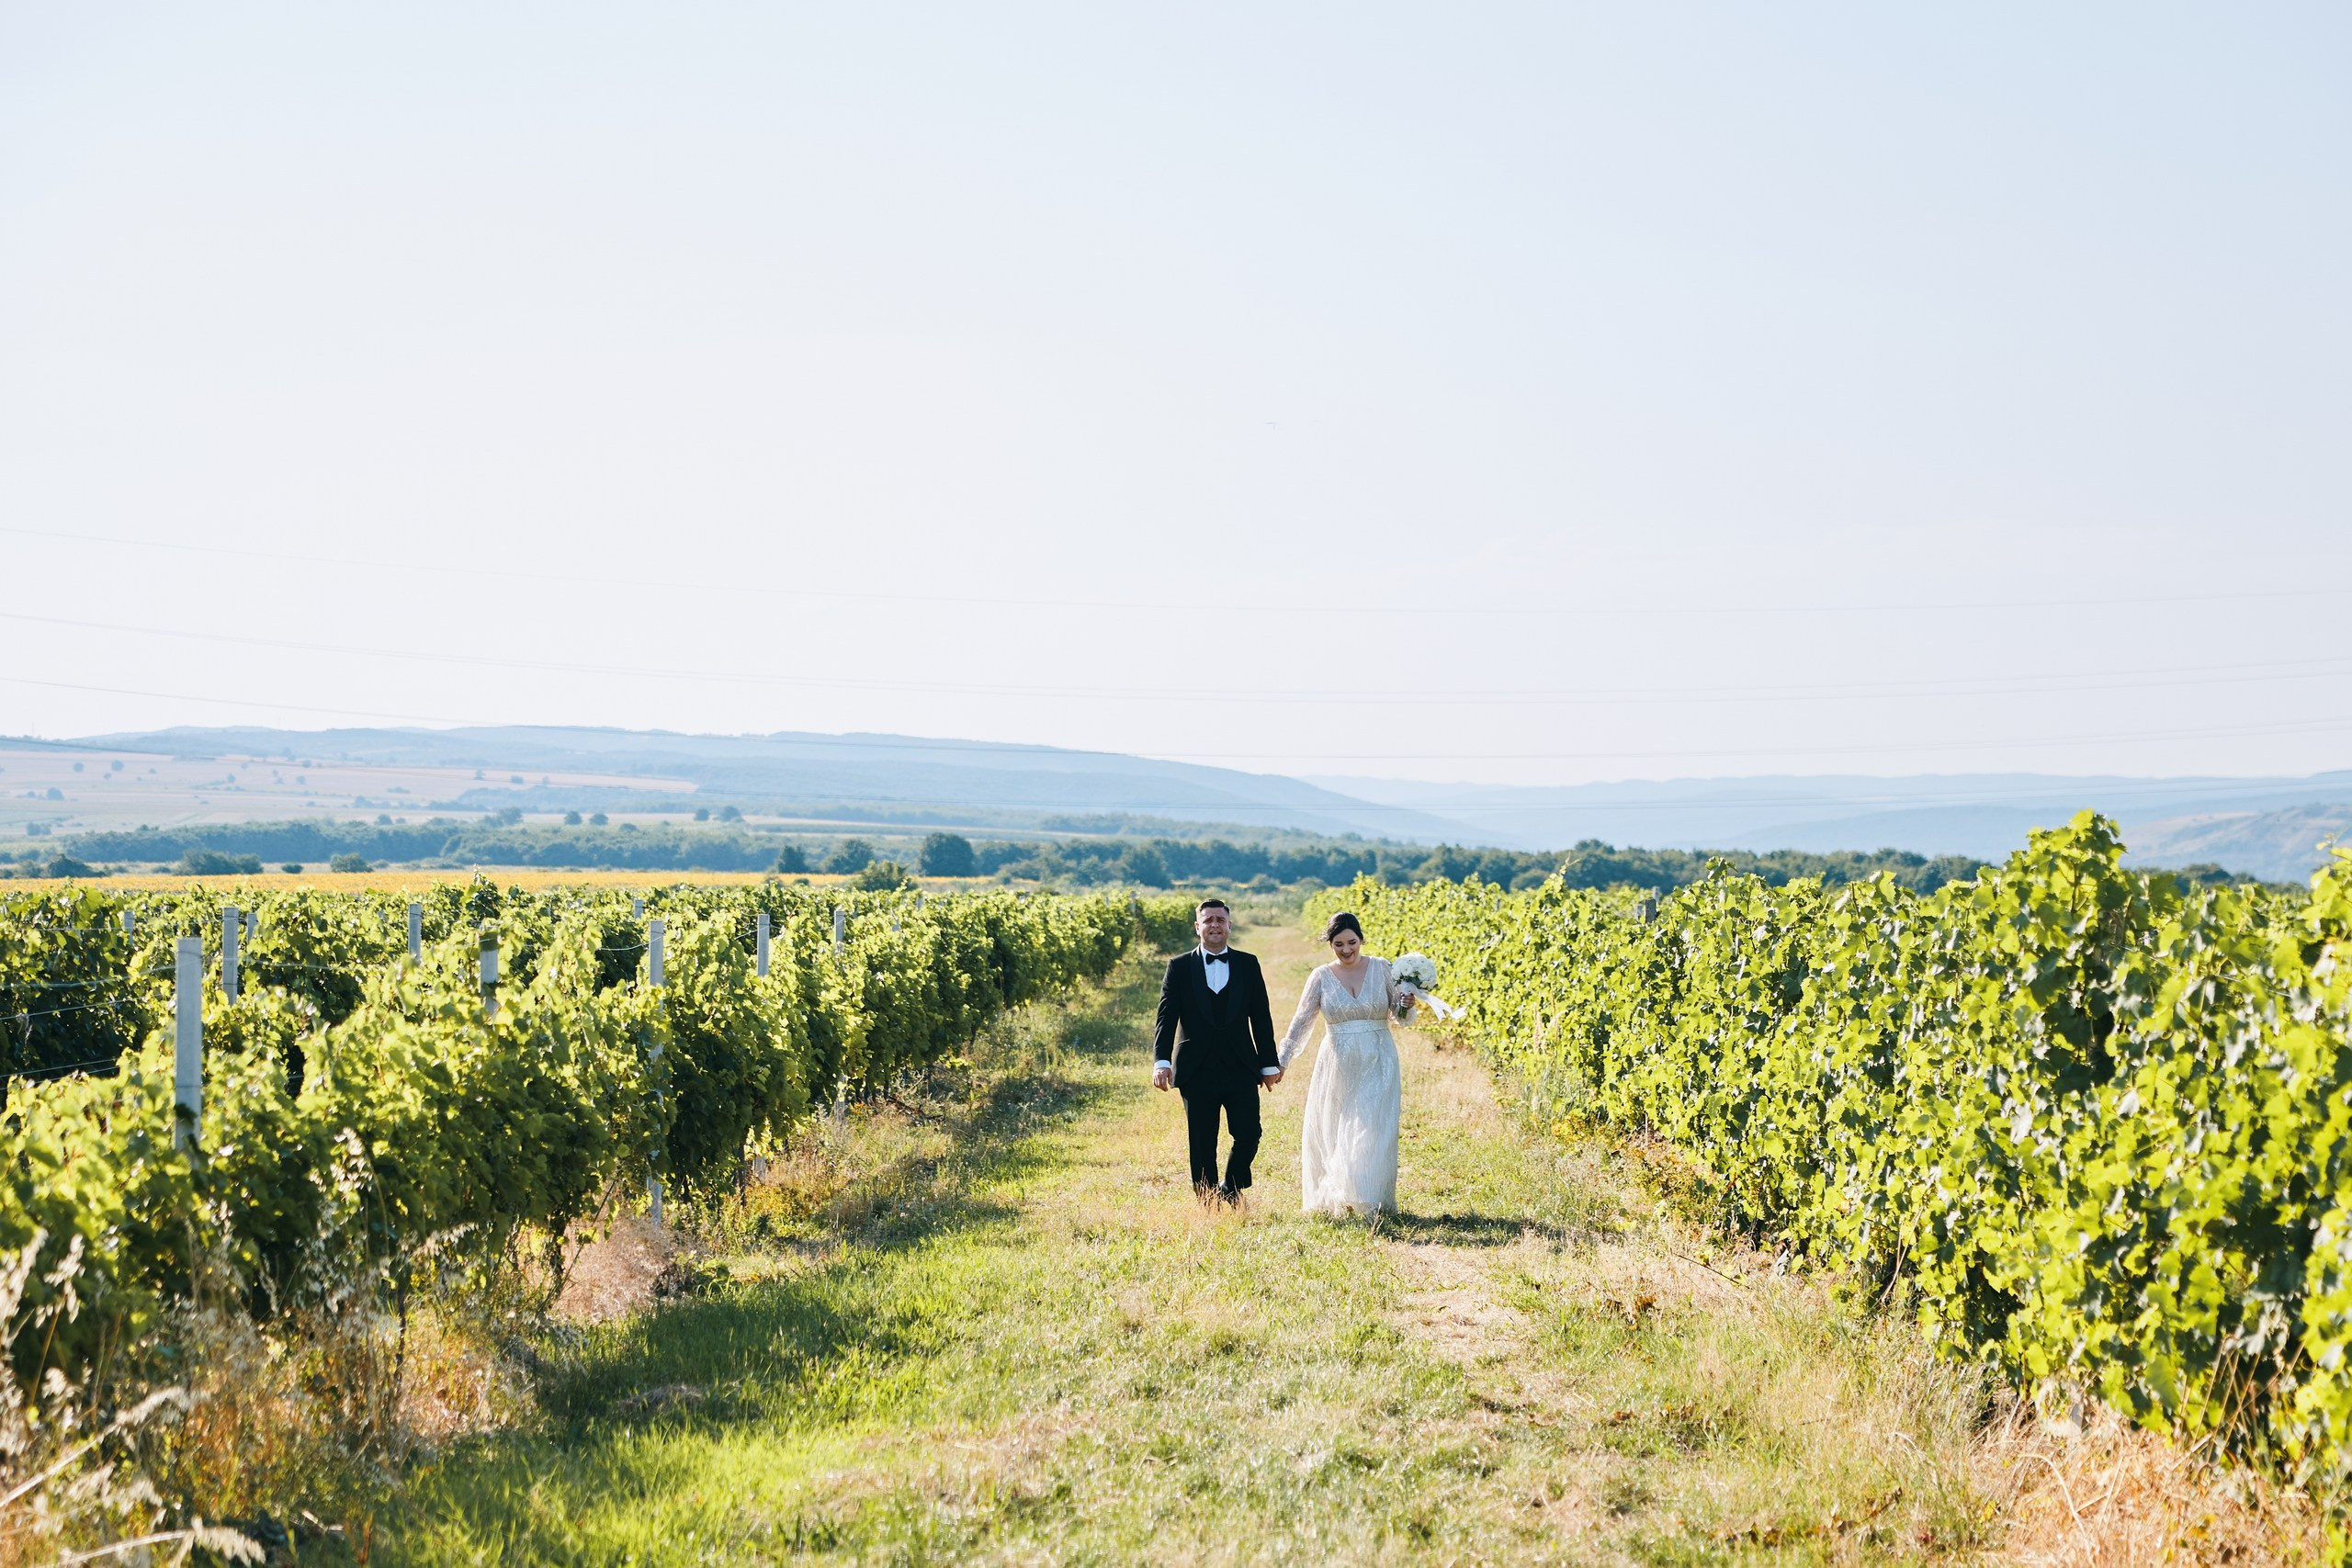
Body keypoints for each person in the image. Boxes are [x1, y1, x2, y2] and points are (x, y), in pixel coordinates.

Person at [1277, 910, 1416, 1216]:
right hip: (1337, 1063)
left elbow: (1399, 1016)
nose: (1346, 950)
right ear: (1330, 944)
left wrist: (1406, 1005)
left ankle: (1366, 1197)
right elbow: (1301, 1021)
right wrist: (1282, 1060)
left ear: (1361, 939)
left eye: (1351, 942)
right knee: (1338, 1127)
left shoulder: (1382, 968)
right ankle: (1342, 1194)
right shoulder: (1320, 976)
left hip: (1379, 1058)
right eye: (1338, 944)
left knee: (1372, 1127)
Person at [1151, 897, 1281, 1204]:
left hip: (1241, 1065)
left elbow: (1261, 1017)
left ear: (1229, 926)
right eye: (1208, 920)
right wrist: (1161, 1061)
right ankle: (1208, 1203)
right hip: (1196, 1068)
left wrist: (1268, 1064)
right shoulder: (1179, 966)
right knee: (1202, 1142)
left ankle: (1231, 1186)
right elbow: (1166, 1018)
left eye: (1220, 920)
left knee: (1249, 1133)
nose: (1214, 925)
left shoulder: (1248, 963)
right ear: (1197, 927)